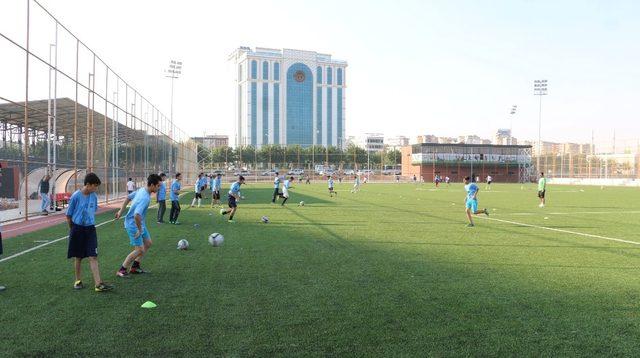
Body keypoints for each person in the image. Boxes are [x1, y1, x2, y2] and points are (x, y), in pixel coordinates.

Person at [66, 173, 114, 292]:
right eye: (94, 186)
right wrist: (73, 229)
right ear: (87, 185)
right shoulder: (76, 196)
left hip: (90, 229)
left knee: (93, 256)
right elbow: (68, 215)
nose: (96, 189)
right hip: (77, 228)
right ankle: (78, 280)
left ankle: (98, 284)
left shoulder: (94, 196)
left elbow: (93, 210)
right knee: (79, 257)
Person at [116, 174, 162, 277]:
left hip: (139, 224)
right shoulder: (145, 197)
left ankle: (135, 267)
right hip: (133, 225)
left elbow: (128, 197)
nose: (159, 188)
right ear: (152, 185)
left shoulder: (142, 190)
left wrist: (120, 211)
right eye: (158, 186)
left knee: (148, 243)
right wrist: (140, 230)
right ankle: (122, 269)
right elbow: (137, 215)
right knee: (139, 249)